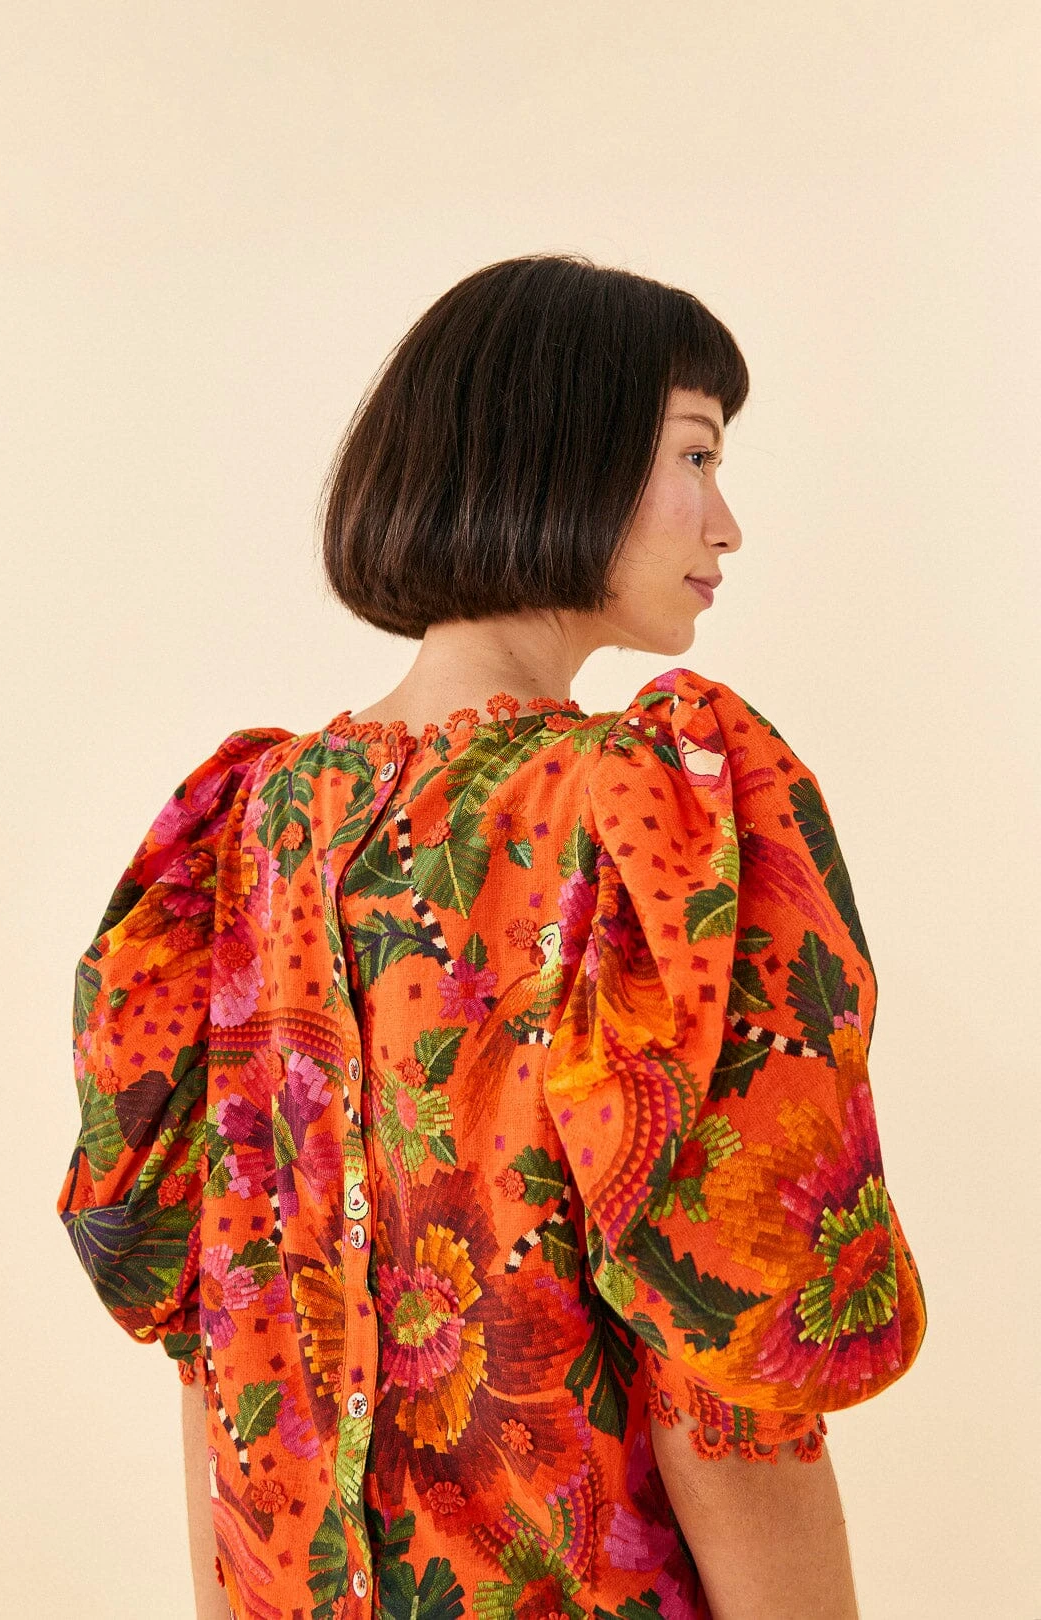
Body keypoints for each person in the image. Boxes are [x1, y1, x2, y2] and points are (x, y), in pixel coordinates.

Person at [56, 253, 926, 1620]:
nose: (728, 522)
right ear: (562, 452)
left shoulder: (251, 824)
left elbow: (228, 1346)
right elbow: (722, 1374)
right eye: (697, 454)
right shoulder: (647, 819)